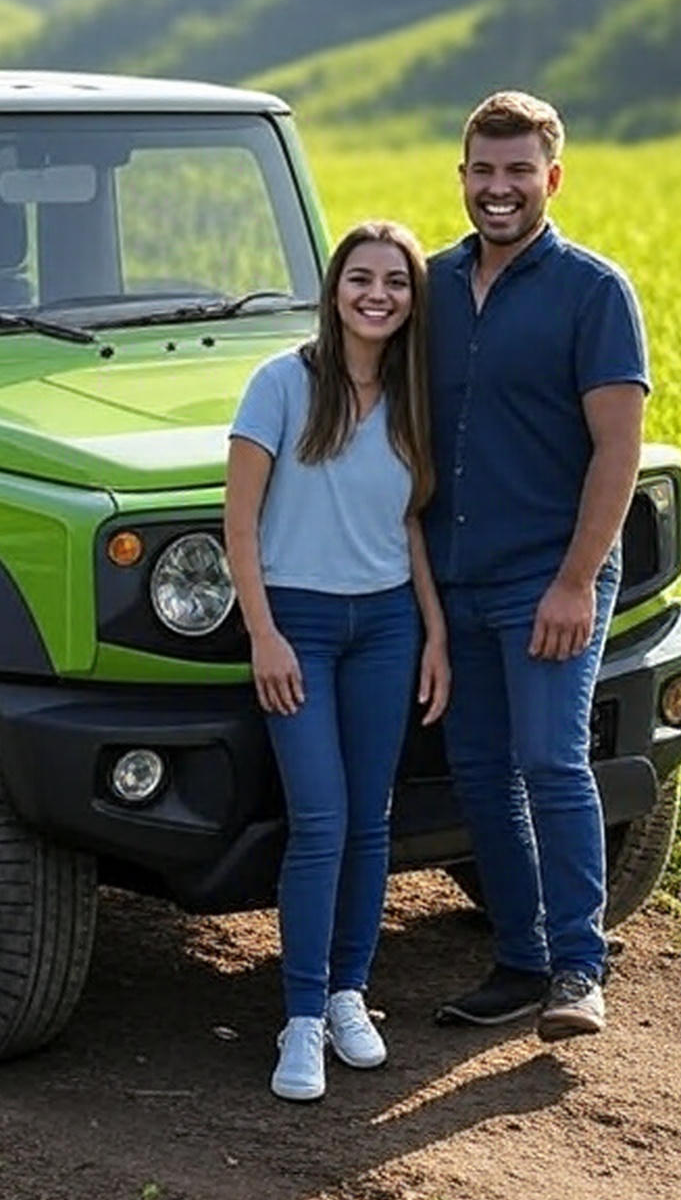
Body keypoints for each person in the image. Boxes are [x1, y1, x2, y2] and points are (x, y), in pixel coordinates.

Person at [424, 91, 648, 1040]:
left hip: (548, 575)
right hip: (454, 577)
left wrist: (575, 580)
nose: (499, 188)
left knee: (551, 762)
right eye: (484, 170)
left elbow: (618, 449)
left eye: (519, 171)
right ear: (463, 176)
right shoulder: (430, 286)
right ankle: (521, 960)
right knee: (480, 771)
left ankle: (579, 968)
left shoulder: (594, 292)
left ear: (551, 177)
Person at [225, 221, 450, 1102]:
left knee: (370, 820)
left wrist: (434, 634)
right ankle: (301, 1019)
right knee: (320, 820)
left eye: (396, 283)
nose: (377, 296)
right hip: (301, 626)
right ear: (335, 289)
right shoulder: (281, 383)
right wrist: (264, 634)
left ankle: (350, 993)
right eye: (362, 278)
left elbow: (409, 525)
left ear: (412, 300)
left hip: (388, 625)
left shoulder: (411, 396)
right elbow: (239, 523)